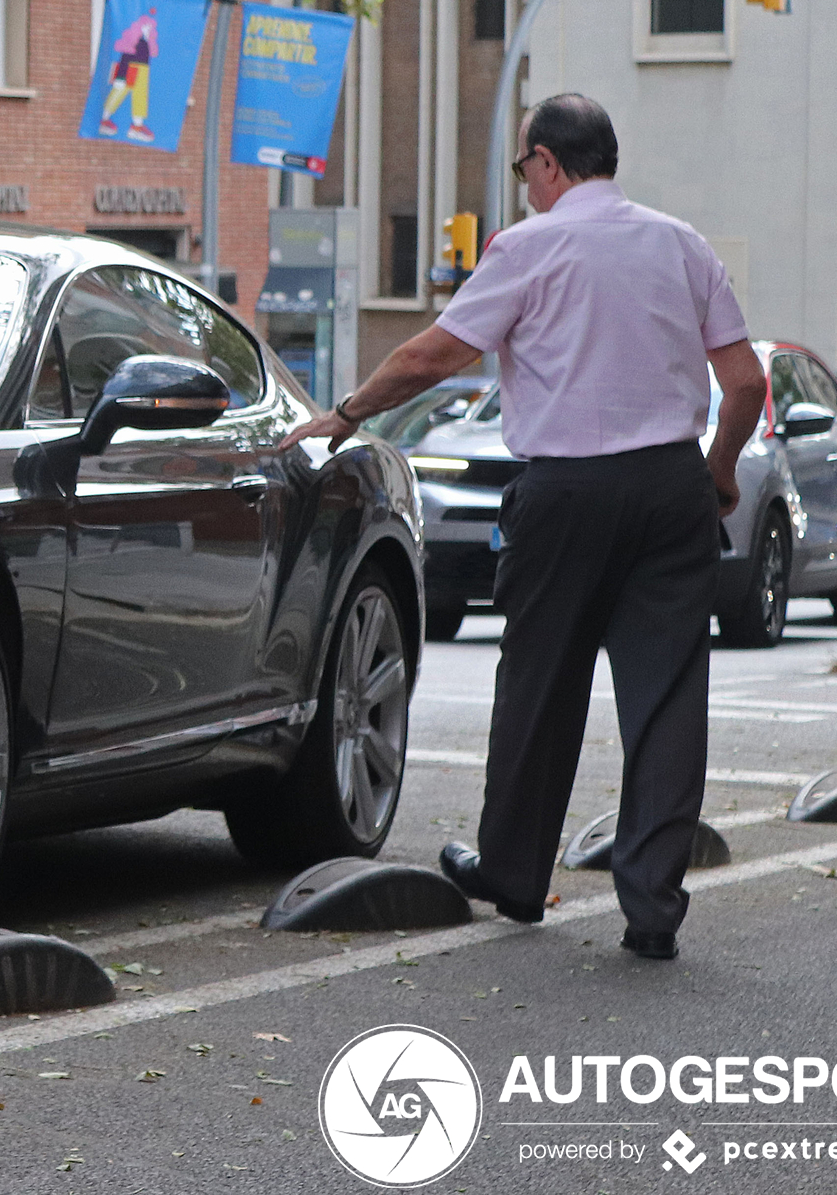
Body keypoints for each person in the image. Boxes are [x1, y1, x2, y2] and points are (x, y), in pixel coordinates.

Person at [283, 93, 766, 962]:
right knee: (666, 698)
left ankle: (513, 871)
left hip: (567, 491)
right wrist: (718, 471)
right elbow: (744, 384)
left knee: (541, 679)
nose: (526, 186)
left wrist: (348, 412)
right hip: (669, 488)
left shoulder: (529, 247)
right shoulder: (682, 244)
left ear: (547, 162)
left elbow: (435, 353)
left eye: (524, 169)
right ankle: (652, 907)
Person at [98, 6, 157, 143]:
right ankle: (104, 120)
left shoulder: (148, 42)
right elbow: (125, 55)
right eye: (146, 25)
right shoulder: (133, 38)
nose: (148, 28)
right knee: (119, 91)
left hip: (143, 69)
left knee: (140, 96)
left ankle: (137, 126)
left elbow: (150, 53)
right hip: (130, 68)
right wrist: (120, 76)